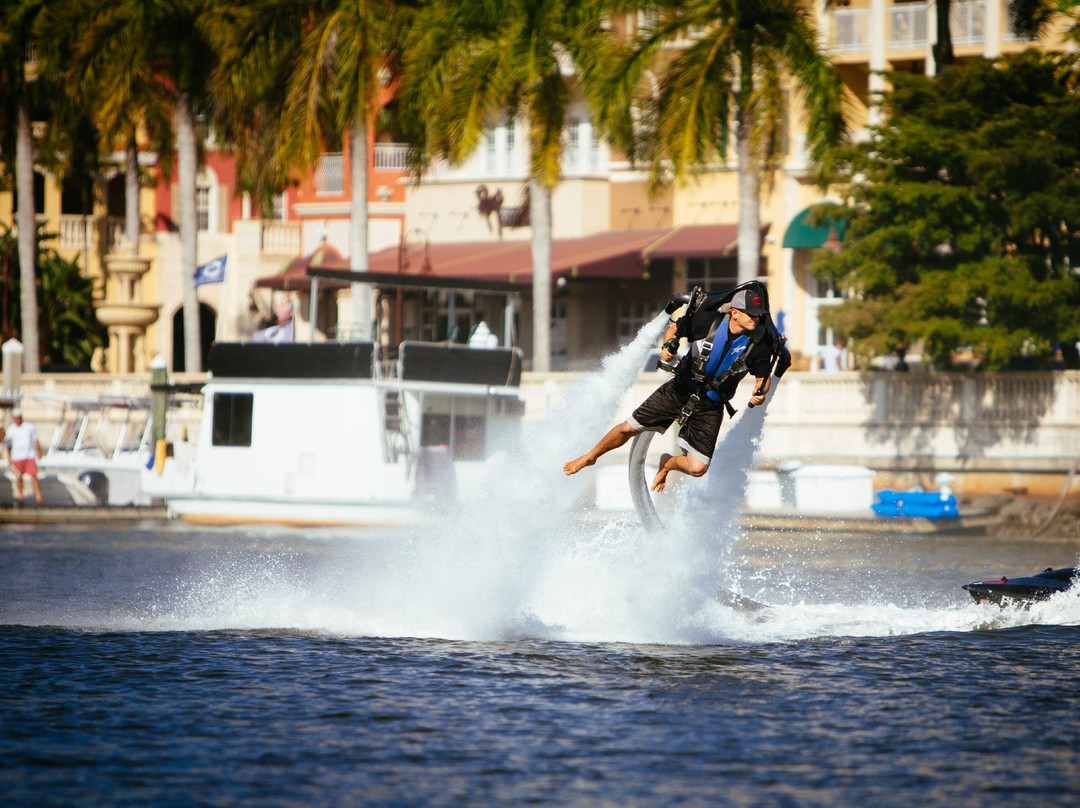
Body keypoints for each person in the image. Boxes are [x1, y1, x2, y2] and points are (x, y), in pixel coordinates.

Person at [564, 285, 790, 492]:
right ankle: (590, 456)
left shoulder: (758, 345)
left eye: (759, 316)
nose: (756, 319)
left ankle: (668, 463)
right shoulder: (707, 321)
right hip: (680, 388)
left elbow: (762, 378)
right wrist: (667, 347)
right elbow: (674, 330)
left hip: (711, 403)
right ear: (735, 312)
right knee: (627, 428)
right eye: (751, 314)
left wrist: (760, 391)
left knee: (698, 468)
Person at [4, 408, 44, 505]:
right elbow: (8, 446)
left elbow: (35, 440)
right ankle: (21, 497)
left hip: (29, 455)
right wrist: (9, 457)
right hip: (17, 457)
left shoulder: (29, 427)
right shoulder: (10, 429)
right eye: (17, 418)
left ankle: (38, 496)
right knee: (19, 477)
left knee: (34, 475)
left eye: (20, 417)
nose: (18, 419)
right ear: (14, 418)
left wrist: (39, 451)